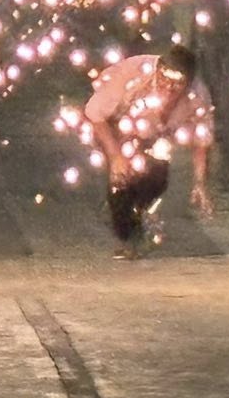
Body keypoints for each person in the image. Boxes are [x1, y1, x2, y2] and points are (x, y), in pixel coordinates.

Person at [81, 43, 215, 258]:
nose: (169, 87)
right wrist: (116, 157)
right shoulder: (132, 74)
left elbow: (202, 140)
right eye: (164, 78)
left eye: (177, 83)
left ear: (188, 84)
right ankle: (127, 233)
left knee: (157, 179)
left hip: (153, 133)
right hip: (113, 123)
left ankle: (133, 212)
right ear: (157, 71)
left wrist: (200, 183)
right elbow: (95, 115)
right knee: (121, 182)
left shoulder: (198, 96)